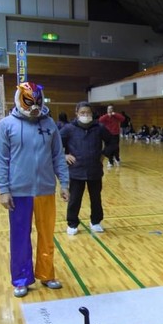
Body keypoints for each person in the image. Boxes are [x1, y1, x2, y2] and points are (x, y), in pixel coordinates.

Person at [0, 82, 69, 298]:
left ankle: (47, 274)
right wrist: (3, 189)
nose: (34, 106)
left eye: (38, 101)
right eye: (29, 101)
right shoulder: (6, 125)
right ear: (19, 98)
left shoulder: (49, 124)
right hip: (18, 192)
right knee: (20, 237)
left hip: (45, 190)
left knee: (47, 236)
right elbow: (1, 160)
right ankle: (21, 278)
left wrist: (64, 183)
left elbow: (58, 155)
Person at [60, 101, 112, 235]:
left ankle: (95, 222)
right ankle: (72, 223)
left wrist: (104, 154)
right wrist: (65, 155)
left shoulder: (99, 127)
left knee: (96, 198)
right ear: (77, 113)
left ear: (92, 114)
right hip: (76, 171)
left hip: (94, 170)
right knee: (75, 199)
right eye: (82, 112)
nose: (85, 115)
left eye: (88, 112)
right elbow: (56, 145)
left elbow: (112, 142)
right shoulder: (68, 128)